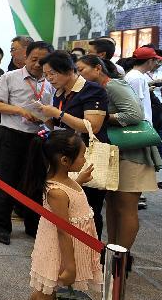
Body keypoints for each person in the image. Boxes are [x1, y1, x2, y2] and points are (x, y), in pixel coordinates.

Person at [18, 128, 101, 300]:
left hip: (62, 245)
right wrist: (70, 265)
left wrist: (80, 181)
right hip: (59, 249)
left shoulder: (65, 181)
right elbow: (64, 231)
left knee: (45, 285)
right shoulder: (56, 191)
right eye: (82, 156)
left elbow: (71, 199)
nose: (85, 160)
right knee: (49, 293)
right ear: (65, 160)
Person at [76, 55, 159, 254]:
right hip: (115, 153)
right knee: (113, 206)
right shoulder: (98, 90)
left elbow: (134, 115)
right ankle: (112, 252)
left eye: (82, 69)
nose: (79, 74)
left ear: (97, 68)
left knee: (126, 207)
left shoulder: (113, 86)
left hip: (133, 155)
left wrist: (103, 118)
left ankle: (121, 257)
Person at [0, 40, 54, 244]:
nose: (37, 64)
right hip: (12, 134)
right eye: (34, 59)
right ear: (26, 57)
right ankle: (0, 225)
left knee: (36, 183)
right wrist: (20, 110)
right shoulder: (10, 77)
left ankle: (33, 225)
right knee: (6, 181)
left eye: (42, 61)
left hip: (39, 137)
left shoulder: (50, 82)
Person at [36, 50, 108, 239]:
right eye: (46, 74)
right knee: (65, 206)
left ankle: (90, 251)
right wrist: (45, 116)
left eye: (52, 73)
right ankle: (67, 249)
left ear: (68, 69)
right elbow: (61, 125)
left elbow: (92, 126)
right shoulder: (60, 92)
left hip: (85, 156)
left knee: (87, 206)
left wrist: (57, 113)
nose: (49, 78)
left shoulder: (92, 90)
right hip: (63, 156)